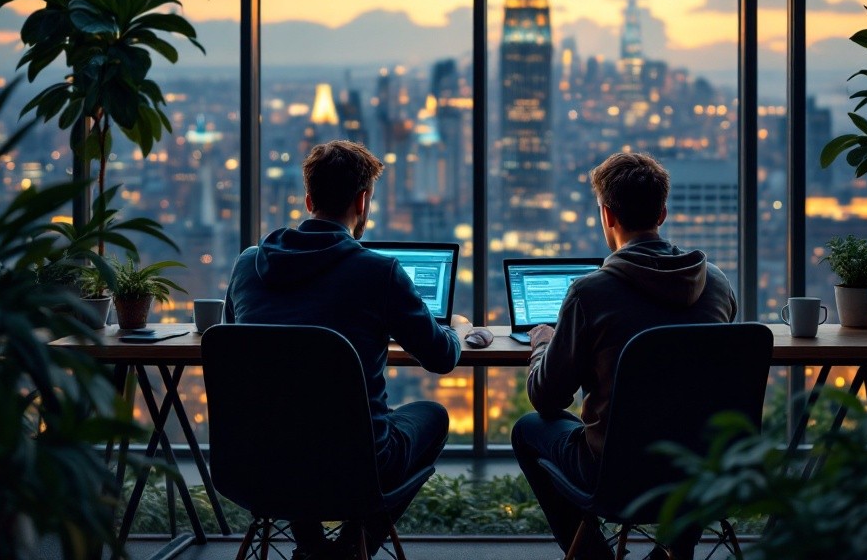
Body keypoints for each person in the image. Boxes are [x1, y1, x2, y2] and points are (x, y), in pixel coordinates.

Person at [224, 140, 461, 560]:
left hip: (260, 464)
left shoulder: (247, 265)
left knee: (294, 420)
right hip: (355, 469)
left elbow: (235, 345)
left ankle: (311, 546)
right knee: (434, 416)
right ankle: (353, 546)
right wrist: (457, 330)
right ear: (363, 200)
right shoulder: (378, 272)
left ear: (309, 199)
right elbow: (441, 357)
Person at [511, 152, 737, 560]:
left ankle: (592, 557)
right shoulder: (717, 284)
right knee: (690, 426)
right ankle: (676, 550)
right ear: (663, 213)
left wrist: (545, 342)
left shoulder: (591, 293)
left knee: (528, 428)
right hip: (703, 471)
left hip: (618, 473)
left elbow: (547, 398)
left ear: (607, 215)